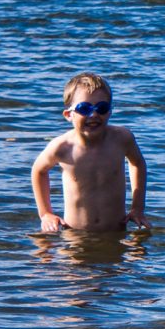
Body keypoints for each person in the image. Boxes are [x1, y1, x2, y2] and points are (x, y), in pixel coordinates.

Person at [31, 72, 148, 234]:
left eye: (102, 108)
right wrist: (45, 213)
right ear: (68, 115)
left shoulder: (122, 139)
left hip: (116, 231)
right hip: (75, 234)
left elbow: (138, 163)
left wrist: (137, 208)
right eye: (84, 108)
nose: (93, 115)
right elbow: (38, 170)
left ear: (110, 111)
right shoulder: (62, 147)